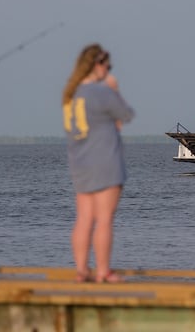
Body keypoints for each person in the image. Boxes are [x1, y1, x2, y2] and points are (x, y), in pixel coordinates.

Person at [62, 44, 134, 283]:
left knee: (84, 219)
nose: (108, 69)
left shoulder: (70, 95)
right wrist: (114, 89)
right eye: (107, 65)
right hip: (105, 162)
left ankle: (82, 270)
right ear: (96, 65)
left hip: (80, 163)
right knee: (104, 219)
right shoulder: (102, 92)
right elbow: (126, 115)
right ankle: (103, 271)